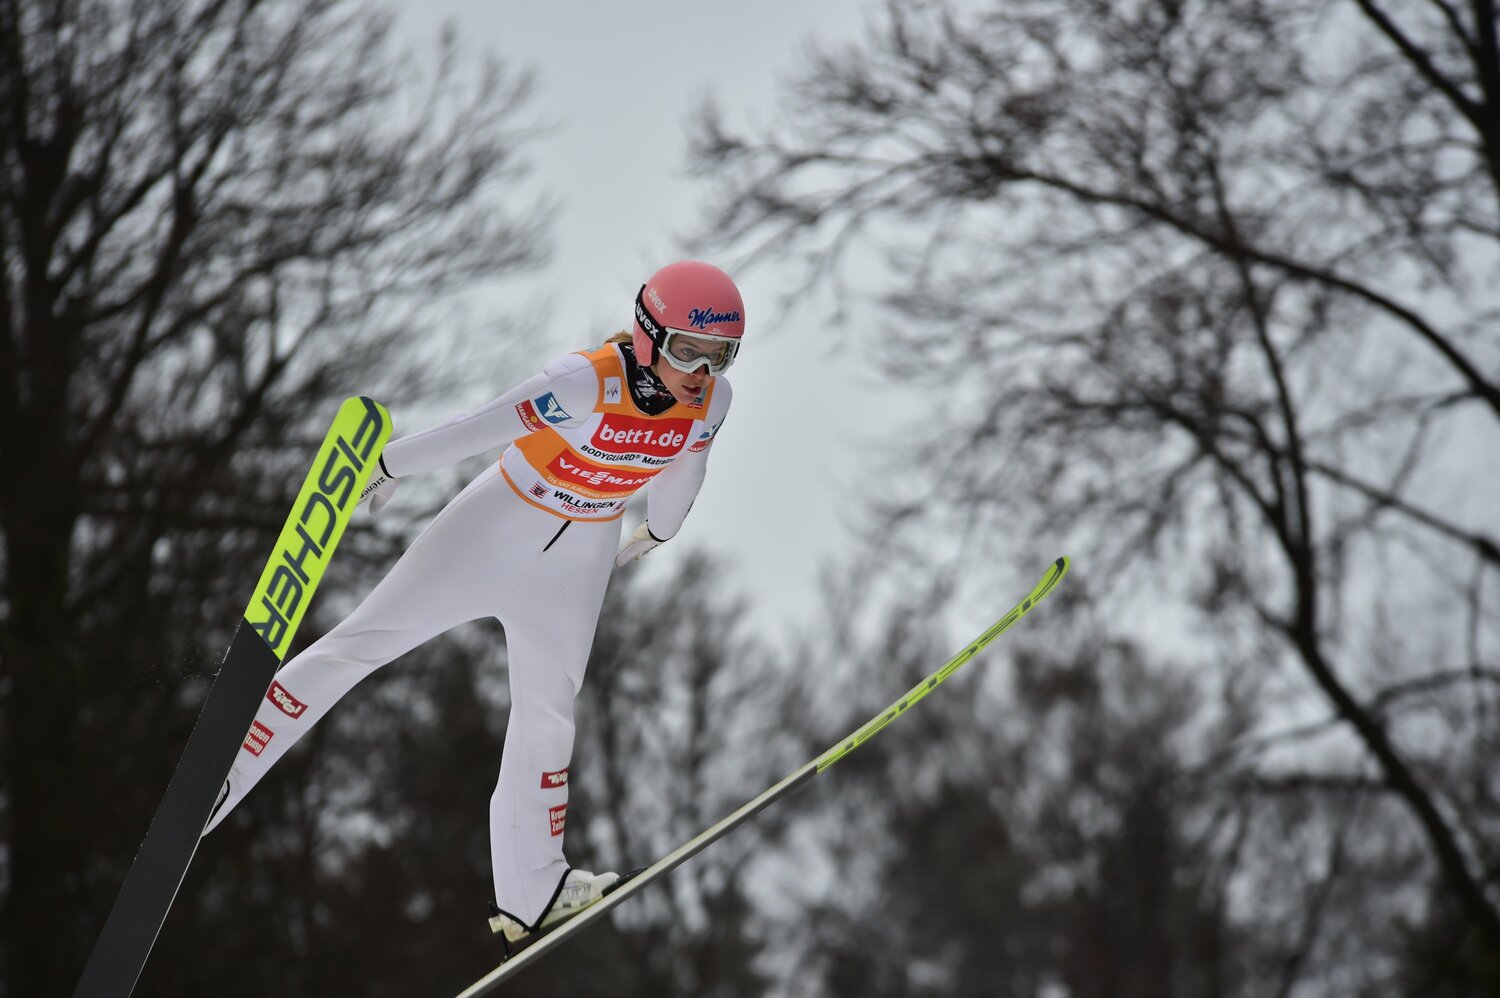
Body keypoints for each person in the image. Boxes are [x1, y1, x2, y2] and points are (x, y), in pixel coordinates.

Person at [202, 260, 744, 946]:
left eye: (720, 356)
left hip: (580, 553)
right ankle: (225, 772)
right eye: (688, 351)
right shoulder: (587, 382)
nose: (701, 372)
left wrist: (660, 530)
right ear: (649, 334)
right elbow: (482, 426)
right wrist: (390, 462)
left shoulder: (711, 402)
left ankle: (534, 888)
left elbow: (687, 468)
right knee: (364, 641)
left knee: (550, 711)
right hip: (500, 523)